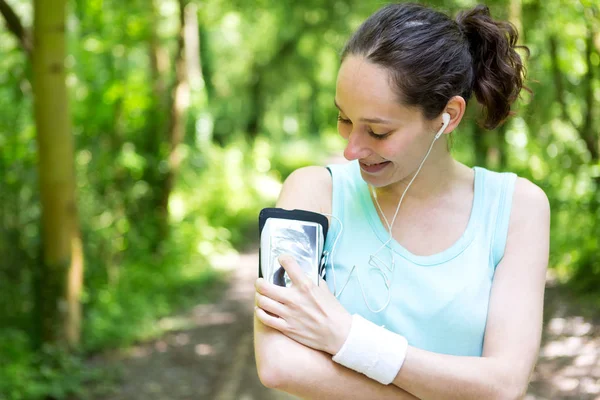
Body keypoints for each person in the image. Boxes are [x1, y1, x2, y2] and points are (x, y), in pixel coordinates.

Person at [253, 3, 550, 399]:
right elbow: (280, 364)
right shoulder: (310, 193)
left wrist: (346, 336)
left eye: (377, 131)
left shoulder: (518, 208)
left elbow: (504, 384)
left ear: (448, 116)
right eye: (344, 119)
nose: (351, 150)